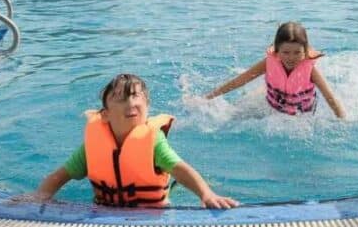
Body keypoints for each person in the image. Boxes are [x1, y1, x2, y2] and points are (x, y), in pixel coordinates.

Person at [33, 74, 238, 209]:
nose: (130, 102)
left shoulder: (154, 142)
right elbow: (60, 175)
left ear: (147, 106)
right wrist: (40, 195)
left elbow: (180, 169)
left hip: (153, 214)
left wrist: (206, 195)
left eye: (135, 96)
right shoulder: (92, 146)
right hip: (104, 212)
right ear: (105, 115)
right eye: (121, 98)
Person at [204, 22, 346, 119]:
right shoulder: (268, 63)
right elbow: (240, 81)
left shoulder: (311, 71)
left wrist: (342, 121)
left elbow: (330, 98)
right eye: (286, 52)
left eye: (297, 53)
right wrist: (208, 97)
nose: (291, 58)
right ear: (277, 52)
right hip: (271, 103)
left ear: (305, 52)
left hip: (300, 114)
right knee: (233, 116)